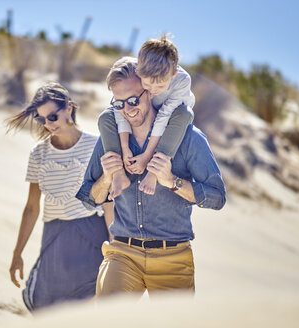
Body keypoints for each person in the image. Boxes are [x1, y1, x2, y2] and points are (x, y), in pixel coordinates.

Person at [76, 57, 226, 298]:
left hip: (173, 258)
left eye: (134, 100)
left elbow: (217, 197)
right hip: (122, 253)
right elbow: (88, 199)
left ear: (151, 91)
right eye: (120, 103)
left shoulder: (188, 138)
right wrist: (106, 178)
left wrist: (172, 182)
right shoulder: (111, 138)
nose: (128, 109)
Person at [6, 81, 111, 311]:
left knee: (88, 308)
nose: (47, 124)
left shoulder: (97, 146)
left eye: (52, 116)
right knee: (48, 307)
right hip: (54, 237)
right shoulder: (38, 154)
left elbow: (110, 202)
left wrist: (116, 250)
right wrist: (17, 253)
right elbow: (32, 207)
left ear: (70, 108)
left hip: (91, 236)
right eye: (41, 119)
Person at [98, 34, 195, 199]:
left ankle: (154, 172)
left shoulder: (182, 80)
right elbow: (119, 107)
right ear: (139, 70)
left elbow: (164, 116)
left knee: (185, 114)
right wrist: (125, 147)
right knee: (107, 115)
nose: (152, 90)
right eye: (147, 84)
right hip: (144, 109)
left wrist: (146, 157)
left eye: (160, 85)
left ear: (174, 74)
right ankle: (118, 173)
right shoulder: (128, 68)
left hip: (172, 115)